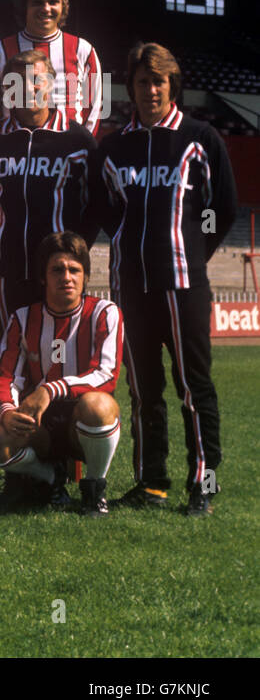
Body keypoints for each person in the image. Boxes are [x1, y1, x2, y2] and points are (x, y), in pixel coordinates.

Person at [94, 43, 237, 515]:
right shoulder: (114, 146)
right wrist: (125, 240)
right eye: (141, 82)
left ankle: (204, 483)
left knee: (194, 387)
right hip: (130, 287)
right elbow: (101, 208)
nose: (151, 90)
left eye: (159, 81)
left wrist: (193, 250)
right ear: (130, 89)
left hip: (182, 284)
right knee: (142, 391)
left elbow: (224, 206)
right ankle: (152, 481)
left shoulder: (200, 138)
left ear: (171, 85)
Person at [0, 49, 98, 352]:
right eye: (18, 82)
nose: (29, 89)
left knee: (56, 356)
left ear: (51, 85)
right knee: (8, 357)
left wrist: (73, 250)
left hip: (57, 272)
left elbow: (96, 205)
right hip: (3, 271)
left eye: (36, 80)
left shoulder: (78, 141)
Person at [0, 233, 123, 516]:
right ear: (43, 277)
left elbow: (106, 374)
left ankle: (94, 487)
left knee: (99, 405)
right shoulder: (23, 317)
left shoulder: (105, 312)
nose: (66, 277)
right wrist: (6, 411)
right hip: (40, 424)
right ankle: (50, 478)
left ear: (85, 276)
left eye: (74, 270)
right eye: (57, 270)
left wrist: (51, 389)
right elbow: (6, 376)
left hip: (83, 420)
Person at [0, 0, 103, 134]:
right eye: (37, 2)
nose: (46, 8)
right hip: (14, 151)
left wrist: (82, 147)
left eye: (53, 2)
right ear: (24, 5)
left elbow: (95, 109)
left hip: (69, 151)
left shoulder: (83, 51)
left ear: (63, 5)